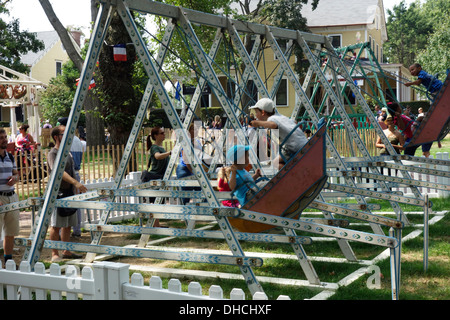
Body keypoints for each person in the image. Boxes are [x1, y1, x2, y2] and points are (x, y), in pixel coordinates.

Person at [47, 125, 88, 262]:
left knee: (68, 222)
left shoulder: (67, 152)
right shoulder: (53, 153)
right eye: (64, 133)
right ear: (56, 137)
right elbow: (59, 171)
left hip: (69, 192)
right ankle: (54, 254)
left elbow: (72, 171)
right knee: (56, 224)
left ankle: (66, 251)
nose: (68, 136)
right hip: (57, 193)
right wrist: (76, 183)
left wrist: (75, 185)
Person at [249, 98, 308, 168]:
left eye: (256, 112)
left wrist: (258, 123)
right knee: (277, 158)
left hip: (294, 148)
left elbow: (273, 125)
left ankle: (293, 171)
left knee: (274, 164)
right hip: (303, 143)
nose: (255, 115)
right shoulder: (281, 117)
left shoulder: (271, 119)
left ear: (263, 113)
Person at [57, 118, 84, 237]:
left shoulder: (66, 140)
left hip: (68, 175)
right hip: (76, 172)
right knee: (76, 203)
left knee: (64, 202)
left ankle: (60, 230)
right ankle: (77, 230)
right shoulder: (77, 139)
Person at [0, 128, 20, 265]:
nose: (5, 140)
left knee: (10, 232)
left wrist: (14, 178)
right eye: (1, 137)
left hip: (12, 196)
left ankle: (8, 261)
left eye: (5, 137)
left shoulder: (10, 156)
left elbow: (17, 174)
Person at [176, 124, 202, 205]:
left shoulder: (197, 141)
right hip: (184, 168)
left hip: (194, 168)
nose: (196, 131)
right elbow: (186, 159)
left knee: (201, 189)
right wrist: (193, 172)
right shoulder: (185, 141)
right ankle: (184, 212)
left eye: (197, 129)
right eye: (194, 129)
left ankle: (201, 208)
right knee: (186, 192)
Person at [144, 127, 171, 202]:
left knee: (161, 201)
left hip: (161, 178)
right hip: (155, 178)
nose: (164, 134)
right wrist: (169, 153)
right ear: (156, 136)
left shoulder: (161, 148)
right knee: (156, 202)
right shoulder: (154, 147)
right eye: (162, 133)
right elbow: (157, 156)